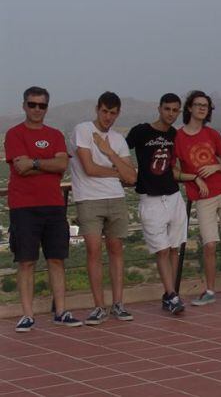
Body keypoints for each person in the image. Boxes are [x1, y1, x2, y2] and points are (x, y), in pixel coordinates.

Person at [7, 86, 82, 332]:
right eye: (32, 104)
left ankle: (60, 311)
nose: (37, 109)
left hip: (53, 204)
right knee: (26, 261)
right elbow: (20, 167)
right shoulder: (14, 134)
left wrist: (35, 162)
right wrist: (46, 163)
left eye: (41, 105)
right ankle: (27, 315)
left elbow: (61, 164)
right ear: (24, 105)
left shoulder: (56, 134)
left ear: (47, 107)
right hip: (24, 207)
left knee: (56, 259)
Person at [69, 92, 137, 324]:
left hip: (116, 198)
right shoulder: (83, 130)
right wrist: (118, 171)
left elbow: (133, 177)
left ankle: (118, 303)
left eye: (113, 113)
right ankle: (98, 306)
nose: (108, 117)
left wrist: (109, 153)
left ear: (118, 114)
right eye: (104, 111)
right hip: (89, 199)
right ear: (97, 109)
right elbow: (90, 168)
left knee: (117, 251)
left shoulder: (118, 140)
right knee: (94, 251)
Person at [175, 91, 221, 307]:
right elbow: (174, 171)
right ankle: (210, 289)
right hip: (203, 196)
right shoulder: (179, 137)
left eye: (206, 105)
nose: (202, 108)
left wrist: (216, 166)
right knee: (210, 244)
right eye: (198, 105)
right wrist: (195, 177)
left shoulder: (212, 134)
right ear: (189, 108)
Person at [126, 93, 187, 314]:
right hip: (150, 199)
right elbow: (124, 150)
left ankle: (170, 294)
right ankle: (171, 294)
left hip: (173, 196)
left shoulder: (174, 134)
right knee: (161, 250)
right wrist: (126, 172)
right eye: (167, 109)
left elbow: (175, 164)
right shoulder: (141, 131)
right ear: (159, 108)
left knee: (173, 249)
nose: (171, 114)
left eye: (175, 110)